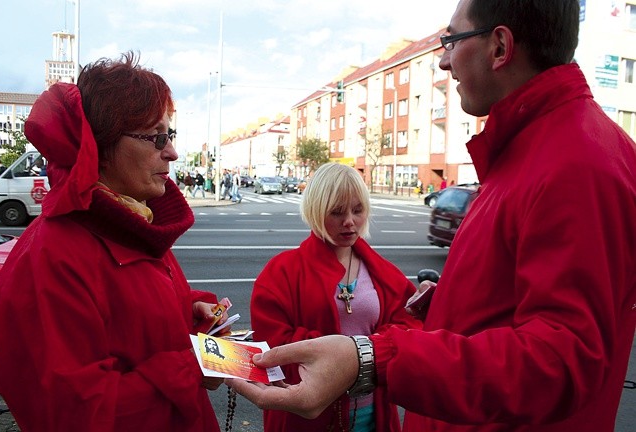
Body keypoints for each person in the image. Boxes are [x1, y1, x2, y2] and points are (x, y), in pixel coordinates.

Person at [228, 1, 636, 431]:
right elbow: (514, 309)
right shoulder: (537, 149)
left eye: (452, 41)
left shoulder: (574, 163)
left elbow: (559, 359)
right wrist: (449, 305)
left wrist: (368, 357)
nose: (443, 60)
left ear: (500, 47)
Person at [0, 52, 227, 432]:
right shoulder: (51, 258)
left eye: (171, 134)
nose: (173, 152)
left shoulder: (134, 224)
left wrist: (191, 315)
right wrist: (189, 368)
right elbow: (71, 414)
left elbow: (130, 321)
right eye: (156, 137)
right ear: (101, 146)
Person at [250, 162, 421, 432]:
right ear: (316, 211)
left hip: (372, 412)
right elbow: (272, 344)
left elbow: (410, 324)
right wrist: (352, 355)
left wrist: (366, 353)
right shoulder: (281, 272)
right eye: (337, 212)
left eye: (357, 210)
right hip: (306, 418)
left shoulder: (384, 272)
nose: (349, 221)